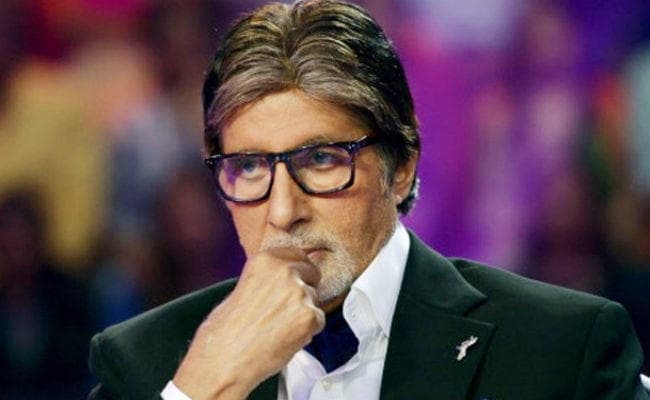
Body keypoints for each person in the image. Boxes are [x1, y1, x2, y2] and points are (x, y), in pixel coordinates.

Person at [88, 1, 648, 399]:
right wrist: (207, 387)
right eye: (250, 167)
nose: (282, 212)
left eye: (321, 159)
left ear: (401, 167)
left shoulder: (560, 349)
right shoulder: (144, 364)